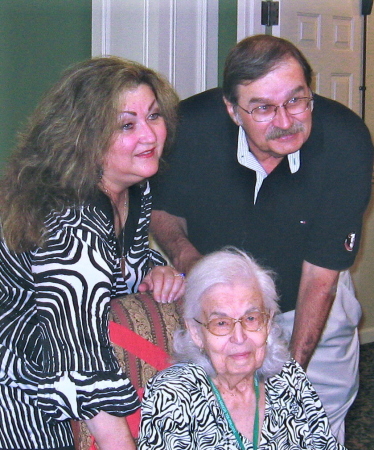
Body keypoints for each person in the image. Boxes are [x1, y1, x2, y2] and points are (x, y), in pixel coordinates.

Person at [150, 34, 374, 442]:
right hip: (220, 311)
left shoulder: (346, 142)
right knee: (219, 425)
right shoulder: (187, 131)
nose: (286, 120)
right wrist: (187, 259)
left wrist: (289, 383)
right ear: (232, 110)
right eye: (264, 108)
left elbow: (320, 279)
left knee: (314, 420)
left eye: (296, 100)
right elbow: (160, 207)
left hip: (309, 299)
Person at [0, 56, 185, 450]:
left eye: (154, 116)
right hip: (18, 380)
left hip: (50, 363)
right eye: (126, 125)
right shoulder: (72, 221)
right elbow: (79, 362)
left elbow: (114, 267)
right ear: (85, 136)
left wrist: (154, 268)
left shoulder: (132, 189)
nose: (149, 136)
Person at [138, 247, 346, 450]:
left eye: (251, 318)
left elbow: (324, 443)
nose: (239, 337)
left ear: (269, 322)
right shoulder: (172, 394)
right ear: (195, 332)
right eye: (221, 323)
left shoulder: (287, 375)